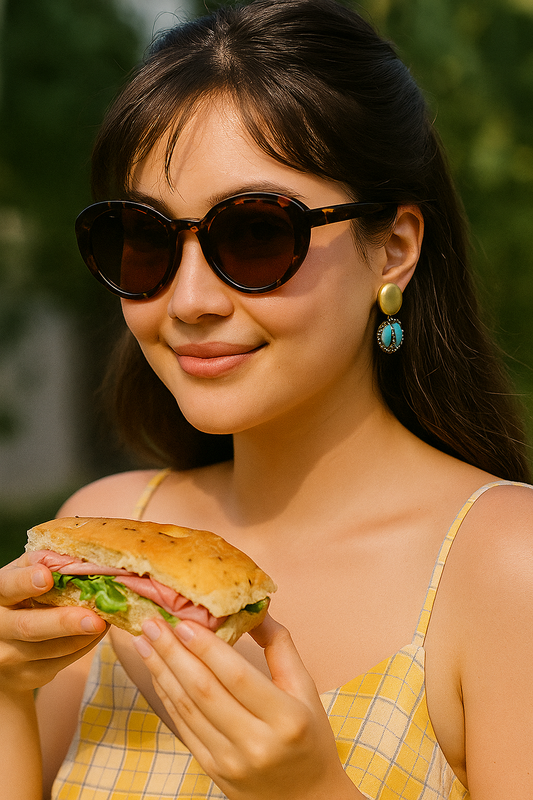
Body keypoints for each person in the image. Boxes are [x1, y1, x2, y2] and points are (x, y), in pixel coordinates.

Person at [1, 0, 533, 797]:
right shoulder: (101, 534)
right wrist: (7, 691)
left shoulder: (505, 566)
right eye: (143, 239)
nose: (188, 301)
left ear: (393, 248)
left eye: (253, 234)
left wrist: (310, 789)